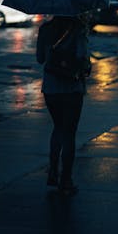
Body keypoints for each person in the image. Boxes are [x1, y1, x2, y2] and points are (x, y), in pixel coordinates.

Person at [36, 14, 90, 196]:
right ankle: (66, 179)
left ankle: (52, 171)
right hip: (72, 87)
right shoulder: (78, 29)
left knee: (58, 128)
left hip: (50, 87)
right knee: (69, 133)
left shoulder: (45, 29)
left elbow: (40, 58)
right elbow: (83, 58)